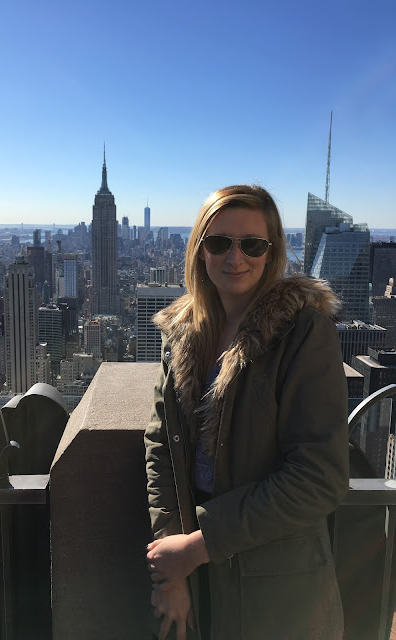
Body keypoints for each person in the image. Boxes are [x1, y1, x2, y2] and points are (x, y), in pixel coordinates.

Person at [144, 185, 349, 640]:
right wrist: (170, 569)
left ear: (271, 251)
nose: (235, 257)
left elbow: (320, 477)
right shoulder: (182, 335)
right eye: (219, 242)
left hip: (278, 591)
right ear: (200, 250)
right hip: (199, 579)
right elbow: (160, 445)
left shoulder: (303, 333)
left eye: (252, 244)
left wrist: (198, 546)